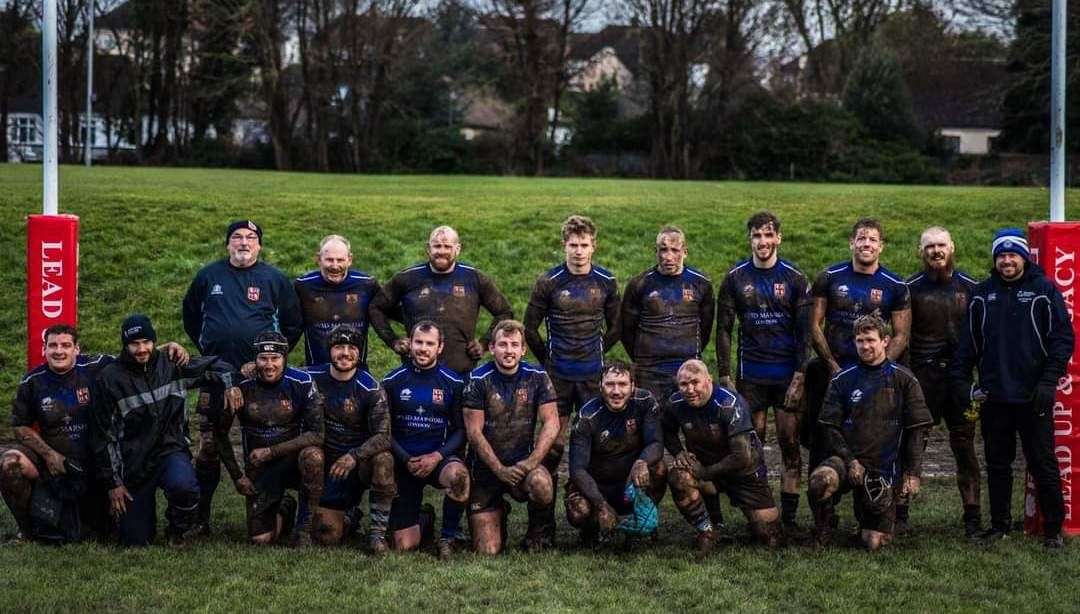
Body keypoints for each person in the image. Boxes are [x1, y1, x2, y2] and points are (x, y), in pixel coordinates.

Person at [951, 228, 1074, 549]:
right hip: (995, 397)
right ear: (995, 259)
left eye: (1012, 254)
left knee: (1042, 462)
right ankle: (1000, 525)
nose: (1007, 260)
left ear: (1023, 257)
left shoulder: (1044, 289)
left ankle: (1053, 530)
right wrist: (966, 385)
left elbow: (1063, 340)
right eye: (1001, 255)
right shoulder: (982, 294)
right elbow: (967, 347)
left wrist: (1048, 382)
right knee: (997, 464)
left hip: (1034, 397)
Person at [182, 220, 303, 533]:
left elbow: (292, 325)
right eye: (237, 237)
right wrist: (211, 352)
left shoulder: (274, 279)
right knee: (208, 445)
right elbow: (191, 316)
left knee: (261, 442)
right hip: (215, 375)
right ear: (227, 244)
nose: (244, 242)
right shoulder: (209, 276)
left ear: (259, 245)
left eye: (251, 238)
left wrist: (266, 361)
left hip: (259, 379)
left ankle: (272, 503)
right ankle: (200, 517)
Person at [90, 315, 239, 546]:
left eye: (146, 342)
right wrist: (114, 484)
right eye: (134, 344)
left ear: (154, 341)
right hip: (133, 463)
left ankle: (177, 529)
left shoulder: (172, 364)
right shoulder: (109, 380)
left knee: (185, 487)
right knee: (135, 540)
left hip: (170, 451)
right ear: (124, 345)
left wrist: (231, 385)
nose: (141, 349)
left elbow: (216, 365)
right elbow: (103, 437)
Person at [523, 214, 620, 547]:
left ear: (594, 245)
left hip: (593, 377)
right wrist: (546, 361)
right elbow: (529, 328)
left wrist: (597, 350)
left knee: (595, 446)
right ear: (563, 245)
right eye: (572, 245)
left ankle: (591, 520)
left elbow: (617, 326)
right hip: (558, 377)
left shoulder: (606, 281)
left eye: (584, 245)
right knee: (553, 446)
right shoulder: (549, 281)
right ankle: (542, 525)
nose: (578, 251)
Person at [715, 211, 811, 528]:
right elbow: (724, 329)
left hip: (786, 374)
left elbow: (804, 332)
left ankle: (791, 518)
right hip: (751, 374)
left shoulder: (795, 278)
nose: (763, 242)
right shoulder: (735, 278)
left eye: (769, 235)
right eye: (757, 236)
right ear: (750, 239)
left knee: (789, 444)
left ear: (778, 238)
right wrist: (726, 376)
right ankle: (758, 509)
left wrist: (800, 374)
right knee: (752, 443)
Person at [621, 226, 720, 525]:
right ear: (656, 252)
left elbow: (705, 329)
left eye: (675, 249)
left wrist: (687, 361)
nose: (669, 256)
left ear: (685, 251)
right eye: (663, 249)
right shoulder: (639, 285)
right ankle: (642, 512)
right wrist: (643, 360)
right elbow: (627, 330)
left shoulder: (701, 284)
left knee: (698, 440)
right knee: (648, 440)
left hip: (683, 374)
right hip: (650, 374)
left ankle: (713, 513)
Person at [807, 315, 932, 551]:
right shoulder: (843, 379)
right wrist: (851, 460)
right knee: (819, 481)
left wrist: (913, 473)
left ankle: (870, 519)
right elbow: (829, 427)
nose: (865, 346)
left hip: (884, 468)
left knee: (873, 543)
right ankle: (823, 526)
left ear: (885, 341)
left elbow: (918, 429)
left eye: (870, 340)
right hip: (847, 461)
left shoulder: (904, 379)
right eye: (860, 340)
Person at [805, 218, 910, 472]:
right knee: (823, 435)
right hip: (833, 370)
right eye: (861, 239)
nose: (867, 244)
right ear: (852, 243)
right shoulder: (828, 277)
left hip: (873, 375)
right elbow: (814, 325)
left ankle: (872, 496)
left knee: (870, 436)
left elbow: (901, 336)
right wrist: (832, 366)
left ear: (881, 246)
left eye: (873, 239)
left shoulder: (895, 285)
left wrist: (879, 368)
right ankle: (823, 505)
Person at [904, 226, 982, 537]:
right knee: (913, 444)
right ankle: (900, 515)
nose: (936, 251)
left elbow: (983, 337)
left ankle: (972, 517)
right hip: (923, 378)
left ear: (952, 247)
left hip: (960, 381)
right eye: (929, 246)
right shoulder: (909, 288)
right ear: (919, 251)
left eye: (941, 245)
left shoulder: (972, 288)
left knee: (964, 445)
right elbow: (901, 337)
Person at [216, 331, 324, 545]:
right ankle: (285, 507)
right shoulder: (240, 387)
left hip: (293, 460)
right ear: (254, 360)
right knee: (261, 539)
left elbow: (317, 434)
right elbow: (220, 433)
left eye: (275, 358)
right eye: (263, 358)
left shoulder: (302, 382)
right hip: (259, 467)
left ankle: (304, 528)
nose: (269, 365)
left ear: (285, 358)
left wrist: (271, 452)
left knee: (313, 456)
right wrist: (238, 476)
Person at [663, 360, 782, 552]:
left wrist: (704, 473)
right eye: (684, 384)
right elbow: (666, 430)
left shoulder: (730, 404)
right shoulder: (675, 403)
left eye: (695, 382)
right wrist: (679, 452)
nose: (690, 389)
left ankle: (752, 517)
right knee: (679, 477)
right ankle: (709, 530)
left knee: (769, 536)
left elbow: (740, 457)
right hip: (706, 468)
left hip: (744, 472)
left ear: (709, 380)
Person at [463, 320, 560, 554]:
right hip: (485, 470)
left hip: (521, 465)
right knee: (487, 550)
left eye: (514, 345)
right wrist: (499, 469)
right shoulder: (477, 379)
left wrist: (531, 462)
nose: (509, 350)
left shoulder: (537, 376)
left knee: (542, 484)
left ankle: (538, 532)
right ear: (492, 348)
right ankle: (498, 510)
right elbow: (473, 432)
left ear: (523, 349)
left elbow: (552, 422)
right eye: (503, 344)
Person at [369, 225, 513, 377]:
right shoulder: (407, 278)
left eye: (447, 246)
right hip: (416, 372)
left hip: (461, 371)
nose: (441, 251)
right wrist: (393, 341)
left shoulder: (474, 278)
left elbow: (504, 312)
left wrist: (483, 344)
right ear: (428, 248)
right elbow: (376, 307)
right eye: (437, 246)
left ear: (457, 249)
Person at [304, 326, 395, 551]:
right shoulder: (310, 377)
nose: (345, 353)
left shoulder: (372, 388)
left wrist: (353, 456)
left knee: (384, 459)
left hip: (356, 465)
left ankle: (377, 534)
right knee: (326, 537)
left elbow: (383, 437)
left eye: (351, 347)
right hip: (324, 463)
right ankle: (346, 517)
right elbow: (277, 368)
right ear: (329, 350)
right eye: (338, 347)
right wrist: (250, 368)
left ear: (359, 352)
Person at [384, 321, 470, 559]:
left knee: (460, 477)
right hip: (405, 461)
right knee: (404, 546)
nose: (423, 348)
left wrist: (437, 456)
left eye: (429, 343)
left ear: (440, 347)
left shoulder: (453, 383)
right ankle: (425, 518)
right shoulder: (392, 381)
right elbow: (384, 430)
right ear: (409, 344)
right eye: (418, 342)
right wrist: (404, 458)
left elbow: (462, 431)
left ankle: (447, 538)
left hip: (438, 459)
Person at [565, 361, 665, 545]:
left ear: (633, 386)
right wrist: (601, 504)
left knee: (658, 468)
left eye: (622, 384)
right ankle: (592, 528)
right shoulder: (587, 416)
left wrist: (641, 462)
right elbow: (577, 470)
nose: (616, 391)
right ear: (600, 387)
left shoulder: (646, 403)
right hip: (598, 485)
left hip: (630, 483)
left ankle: (642, 521)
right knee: (578, 510)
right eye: (610, 384)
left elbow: (656, 443)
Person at [294, 235, 381, 368]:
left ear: (350, 259)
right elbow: (290, 325)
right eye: (329, 260)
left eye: (340, 260)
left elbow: (385, 314)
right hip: (317, 370)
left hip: (356, 371)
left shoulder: (367, 284)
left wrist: (395, 341)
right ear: (318, 259)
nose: (335, 266)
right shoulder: (303, 286)